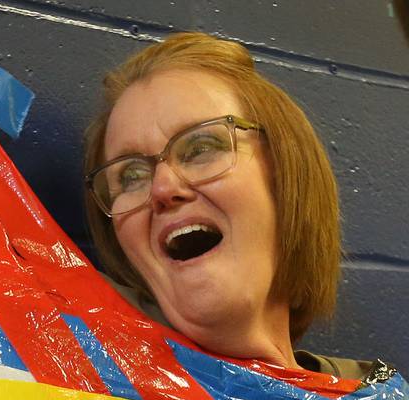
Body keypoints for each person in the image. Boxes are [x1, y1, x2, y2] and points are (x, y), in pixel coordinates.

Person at [83, 32, 358, 376]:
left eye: (201, 148)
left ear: (285, 170)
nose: (162, 188)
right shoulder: (77, 399)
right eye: (131, 176)